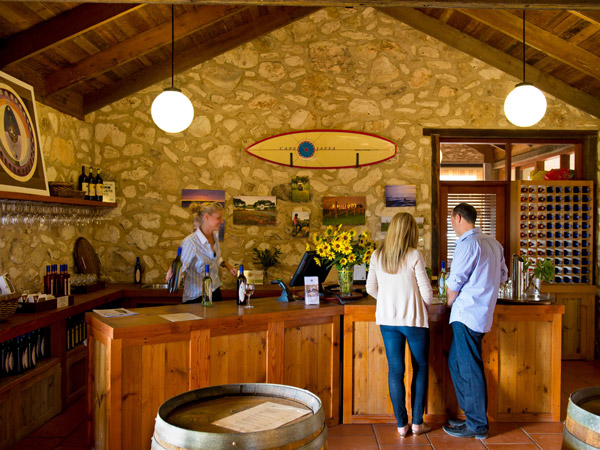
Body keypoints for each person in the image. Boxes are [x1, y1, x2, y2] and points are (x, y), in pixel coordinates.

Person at [443, 203, 508, 439]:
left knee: (469, 368)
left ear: (458, 218)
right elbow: (503, 276)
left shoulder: (467, 244)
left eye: (451, 220)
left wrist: (451, 304)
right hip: (482, 313)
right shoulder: (493, 243)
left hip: (466, 314)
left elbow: (453, 284)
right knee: (457, 364)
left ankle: (478, 425)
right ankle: (471, 417)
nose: (452, 225)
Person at [366, 212, 433, 438]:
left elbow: (370, 288)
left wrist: (387, 302)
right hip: (414, 321)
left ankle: (401, 426)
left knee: (396, 371)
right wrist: (421, 308)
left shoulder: (378, 255)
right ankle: (417, 423)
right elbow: (427, 292)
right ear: (411, 232)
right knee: (420, 368)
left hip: (387, 321)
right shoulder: (414, 254)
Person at [174, 202, 236, 303]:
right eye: (218, 218)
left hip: (215, 291)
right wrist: (173, 274)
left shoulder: (215, 237)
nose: (221, 221)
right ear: (206, 217)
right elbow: (180, 267)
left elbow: (215, 259)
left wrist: (227, 265)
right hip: (197, 297)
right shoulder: (191, 242)